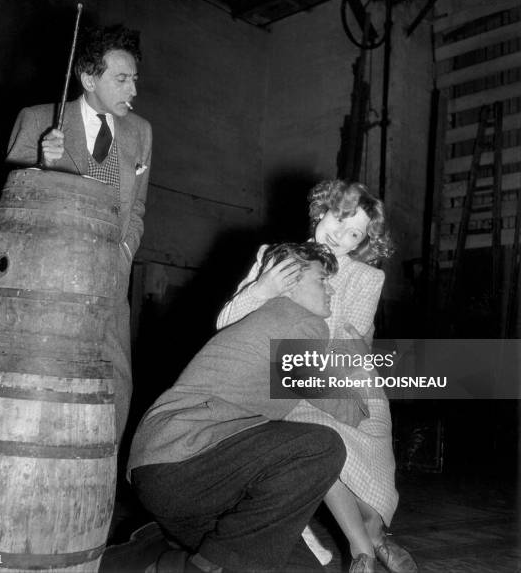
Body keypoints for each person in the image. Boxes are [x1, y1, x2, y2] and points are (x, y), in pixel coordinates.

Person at [128, 242, 369, 573]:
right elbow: (344, 409)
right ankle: (194, 567)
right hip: (187, 460)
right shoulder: (298, 321)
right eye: (320, 280)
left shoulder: (264, 322)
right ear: (289, 282)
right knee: (322, 445)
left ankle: (161, 557)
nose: (330, 290)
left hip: (176, 477)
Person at [217, 180, 417, 573]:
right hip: (292, 382)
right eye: (339, 220)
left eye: (355, 232)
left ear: (363, 242)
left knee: (370, 472)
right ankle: (362, 550)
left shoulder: (366, 278)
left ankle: (375, 531)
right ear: (322, 210)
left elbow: (353, 345)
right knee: (317, 444)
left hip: (349, 379)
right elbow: (226, 324)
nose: (342, 235)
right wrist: (263, 289)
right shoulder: (277, 257)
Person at [6, 24, 152, 443]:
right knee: (42, 372)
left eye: (135, 79)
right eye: (121, 79)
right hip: (42, 278)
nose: (133, 90)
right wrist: (40, 161)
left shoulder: (140, 131)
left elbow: (137, 206)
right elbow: (7, 207)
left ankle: (100, 466)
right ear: (89, 79)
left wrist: (125, 252)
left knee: (116, 378)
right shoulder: (37, 119)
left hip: (110, 277)